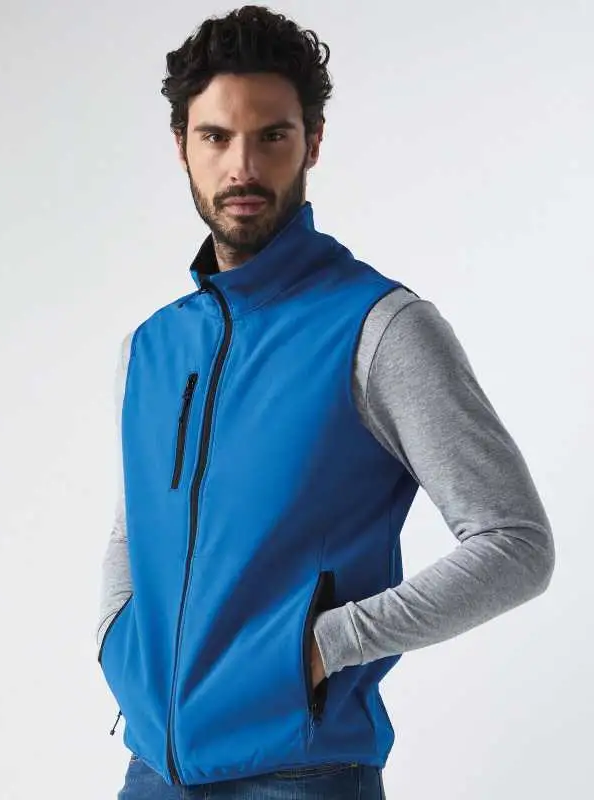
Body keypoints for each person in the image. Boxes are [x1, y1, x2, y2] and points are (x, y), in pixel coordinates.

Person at [96, 5, 556, 799]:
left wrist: (321, 647)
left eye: (271, 136)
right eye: (216, 137)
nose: (243, 166)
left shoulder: (379, 328)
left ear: (312, 141)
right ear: (182, 146)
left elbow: (515, 544)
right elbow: (134, 524)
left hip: (303, 777)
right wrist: (117, 637)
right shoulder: (150, 348)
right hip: (152, 772)